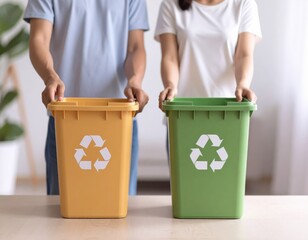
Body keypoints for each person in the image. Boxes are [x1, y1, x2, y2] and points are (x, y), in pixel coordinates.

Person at [24, 0, 149, 195]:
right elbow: (39, 39)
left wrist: (135, 81)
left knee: (121, 213)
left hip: (119, 118)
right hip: (65, 117)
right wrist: (50, 77)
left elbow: (135, 47)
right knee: (62, 210)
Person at [154, 0, 262, 109]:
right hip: (183, 108)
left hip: (231, 107)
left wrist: (243, 84)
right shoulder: (170, 5)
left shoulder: (244, 4)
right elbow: (170, 57)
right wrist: (170, 85)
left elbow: (243, 55)